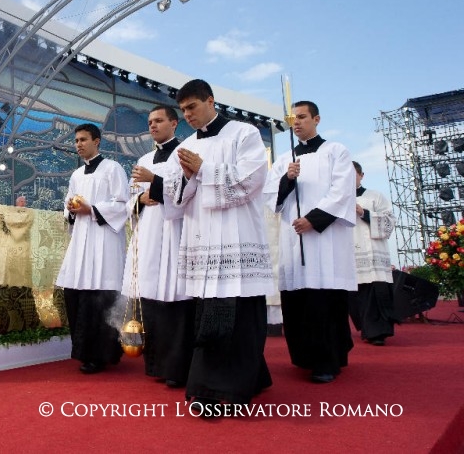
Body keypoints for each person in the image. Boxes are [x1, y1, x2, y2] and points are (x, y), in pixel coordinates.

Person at [163, 79, 275, 409]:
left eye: (192, 107)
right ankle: (247, 377)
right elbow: (174, 197)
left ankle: (218, 391)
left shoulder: (244, 133)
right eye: (183, 110)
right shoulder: (185, 146)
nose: (187, 115)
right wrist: (187, 176)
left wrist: (204, 169)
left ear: (210, 101)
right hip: (202, 238)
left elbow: (252, 179)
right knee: (211, 313)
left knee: (238, 313)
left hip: (236, 237)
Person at [263, 100, 357, 384]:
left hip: (325, 240)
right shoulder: (285, 159)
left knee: (323, 301)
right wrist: (287, 180)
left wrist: (314, 219)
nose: (297, 122)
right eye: (293, 118)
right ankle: (304, 357)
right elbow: (271, 197)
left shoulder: (335, 151)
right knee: (298, 301)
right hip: (293, 239)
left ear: (317, 119)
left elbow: (342, 191)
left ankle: (328, 361)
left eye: (302, 117)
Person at [123, 105, 194, 388]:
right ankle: (157, 365)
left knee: (175, 300)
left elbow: (189, 191)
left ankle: (177, 368)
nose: (153, 125)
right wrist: (139, 200)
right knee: (150, 298)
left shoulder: (185, 154)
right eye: (150, 121)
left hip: (175, 231)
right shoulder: (143, 159)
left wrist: (155, 183)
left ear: (174, 123)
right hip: (148, 234)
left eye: (159, 120)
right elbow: (130, 198)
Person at [57, 123, 129, 374]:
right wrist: (71, 209)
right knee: (77, 293)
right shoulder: (77, 175)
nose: (78, 144)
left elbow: (123, 204)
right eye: (76, 140)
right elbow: (68, 204)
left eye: (83, 139)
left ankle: (102, 355)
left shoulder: (113, 168)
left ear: (96, 141)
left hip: (104, 240)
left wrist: (93, 209)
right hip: (81, 241)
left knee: (101, 295)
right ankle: (84, 352)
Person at [350, 160, 397, 346]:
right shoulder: (337, 199)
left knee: (376, 293)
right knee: (356, 295)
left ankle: (378, 332)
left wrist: (364, 213)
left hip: (373, 252)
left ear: (361, 176)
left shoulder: (375, 196)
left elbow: (389, 223)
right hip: (350, 252)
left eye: (353, 174)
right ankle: (366, 328)